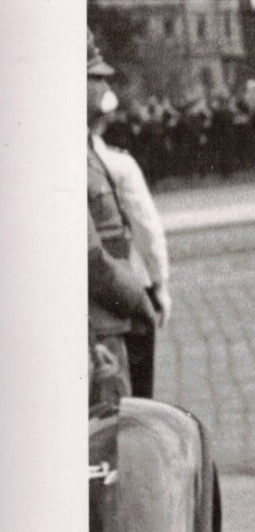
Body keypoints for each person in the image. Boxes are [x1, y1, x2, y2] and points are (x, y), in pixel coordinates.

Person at [87, 33, 157, 392]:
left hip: (107, 322)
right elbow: (93, 262)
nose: (103, 86)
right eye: (94, 78)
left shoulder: (88, 152)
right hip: (98, 330)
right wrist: (138, 299)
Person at [91, 105, 171, 401]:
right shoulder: (118, 163)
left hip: (101, 295)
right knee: (138, 397)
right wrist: (160, 284)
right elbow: (147, 227)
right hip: (130, 287)